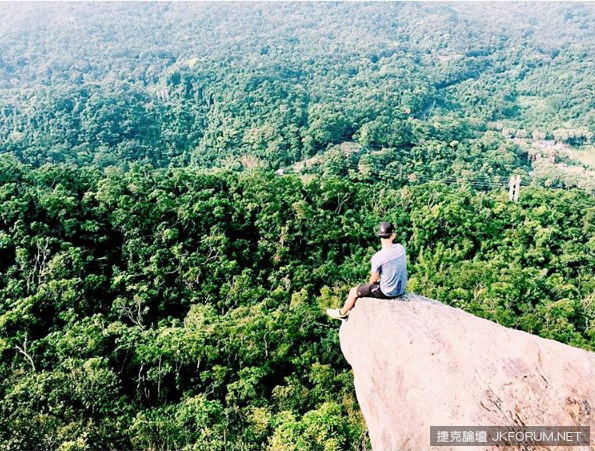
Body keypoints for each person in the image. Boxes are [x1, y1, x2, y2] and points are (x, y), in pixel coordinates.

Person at [326, 221, 407, 320]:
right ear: (393, 235)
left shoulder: (378, 257)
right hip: (401, 289)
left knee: (353, 291)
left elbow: (373, 280)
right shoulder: (401, 248)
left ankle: (342, 313)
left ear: (380, 236)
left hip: (388, 292)